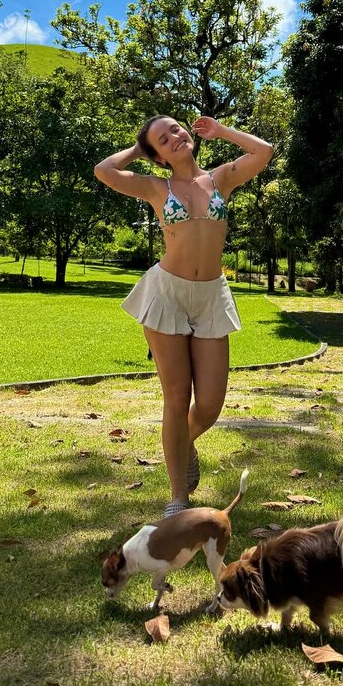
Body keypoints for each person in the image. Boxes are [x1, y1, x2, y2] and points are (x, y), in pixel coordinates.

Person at [94, 115, 274, 516]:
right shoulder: (157, 187)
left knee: (209, 405)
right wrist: (139, 149)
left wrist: (222, 131)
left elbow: (264, 152)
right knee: (177, 398)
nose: (174, 137)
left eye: (175, 129)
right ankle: (178, 498)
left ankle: (183, 442)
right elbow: (104, 171)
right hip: (167, 294)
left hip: (210, 296)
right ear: (158, 156)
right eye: (162, 139)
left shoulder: (220, 179)